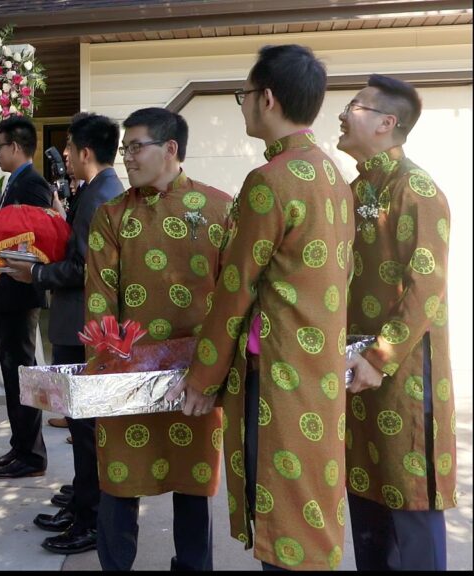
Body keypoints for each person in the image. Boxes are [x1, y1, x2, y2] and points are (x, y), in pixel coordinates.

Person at [169, 44, 354, 570]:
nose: (243, 105)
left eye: (243, 95)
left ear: (266, 98)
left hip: (275, 376)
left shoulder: (269, 182)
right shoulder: (333, 175)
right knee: (311, 504)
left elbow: (235, 289)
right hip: (317, 372)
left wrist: (204, 378)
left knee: (280, 507)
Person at [82, 108, 231, 569]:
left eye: (135, 147)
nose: (126, 157)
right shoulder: (112, 216)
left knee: (193, 483)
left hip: (196, 376)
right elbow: (99, 301)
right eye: (124, 149)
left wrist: (214, 372)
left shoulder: (220, 208)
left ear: (170, 149)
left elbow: (234, 299)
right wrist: (106, 375)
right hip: (126, 377)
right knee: (119, 483)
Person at [338, 74, 455, 571]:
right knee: (366, 496)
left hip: (403, 377)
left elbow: (424, 289)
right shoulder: (351, 190)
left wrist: (379, 359)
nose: (342, 114)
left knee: (410, 499)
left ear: (387, 123)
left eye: (355, 106)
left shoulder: (417, 189)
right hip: (355, 374)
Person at [6, 112, 125, 555]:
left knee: (86, 429)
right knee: (80, 426)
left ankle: (91, 518)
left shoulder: (100, 196)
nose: (66, 158)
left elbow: (82, 268)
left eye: (71, 149)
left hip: (81, 326)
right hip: (77, 322)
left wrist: (33, 271)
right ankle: (81, 501)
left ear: (86, 152)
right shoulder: (97, 192)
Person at [0, 116, 53, 478]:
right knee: (13, 374)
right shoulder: (14, 183)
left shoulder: (34, 184)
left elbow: (35, 236)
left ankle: (32, 454)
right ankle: (20, 446)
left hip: (20, 291)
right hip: (7, 291)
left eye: (0, 147)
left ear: (16, 148)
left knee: (22, 373)